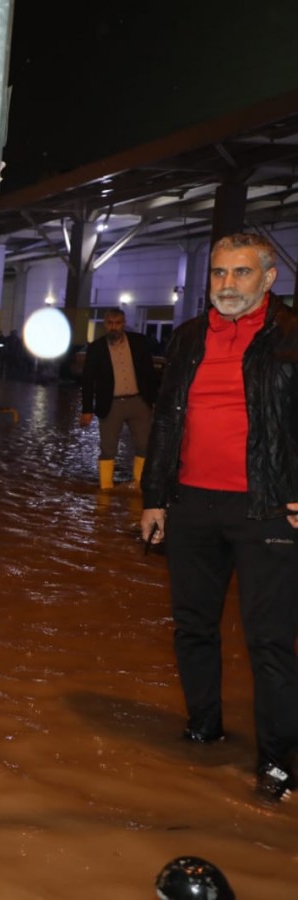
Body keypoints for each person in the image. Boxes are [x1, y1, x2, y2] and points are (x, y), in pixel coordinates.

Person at [140, 232, 298, 803]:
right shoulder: (187, 337)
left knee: (270, 640)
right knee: (193, 627)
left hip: (267, 509)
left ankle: (276, 759)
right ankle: (204, 727)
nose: (227, 284)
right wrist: (153, 497)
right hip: (190, 504)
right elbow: (165, 420)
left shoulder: (290, 336)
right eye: (219, 273)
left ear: (269, 277)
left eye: (241, 272)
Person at [79, 307, 157, 489]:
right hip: (111, 404)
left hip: (139, 402)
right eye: (110, 323)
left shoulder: (139, 342)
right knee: (108, 448)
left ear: (124, 323)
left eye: (118, 323)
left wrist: (153, 401)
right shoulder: (96, 348)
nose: (114, 327)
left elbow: (149, 373)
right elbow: (88, 380)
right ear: (105, 325)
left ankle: (138, 485)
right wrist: (87, 410)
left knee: (144, 445)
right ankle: (106, 488)